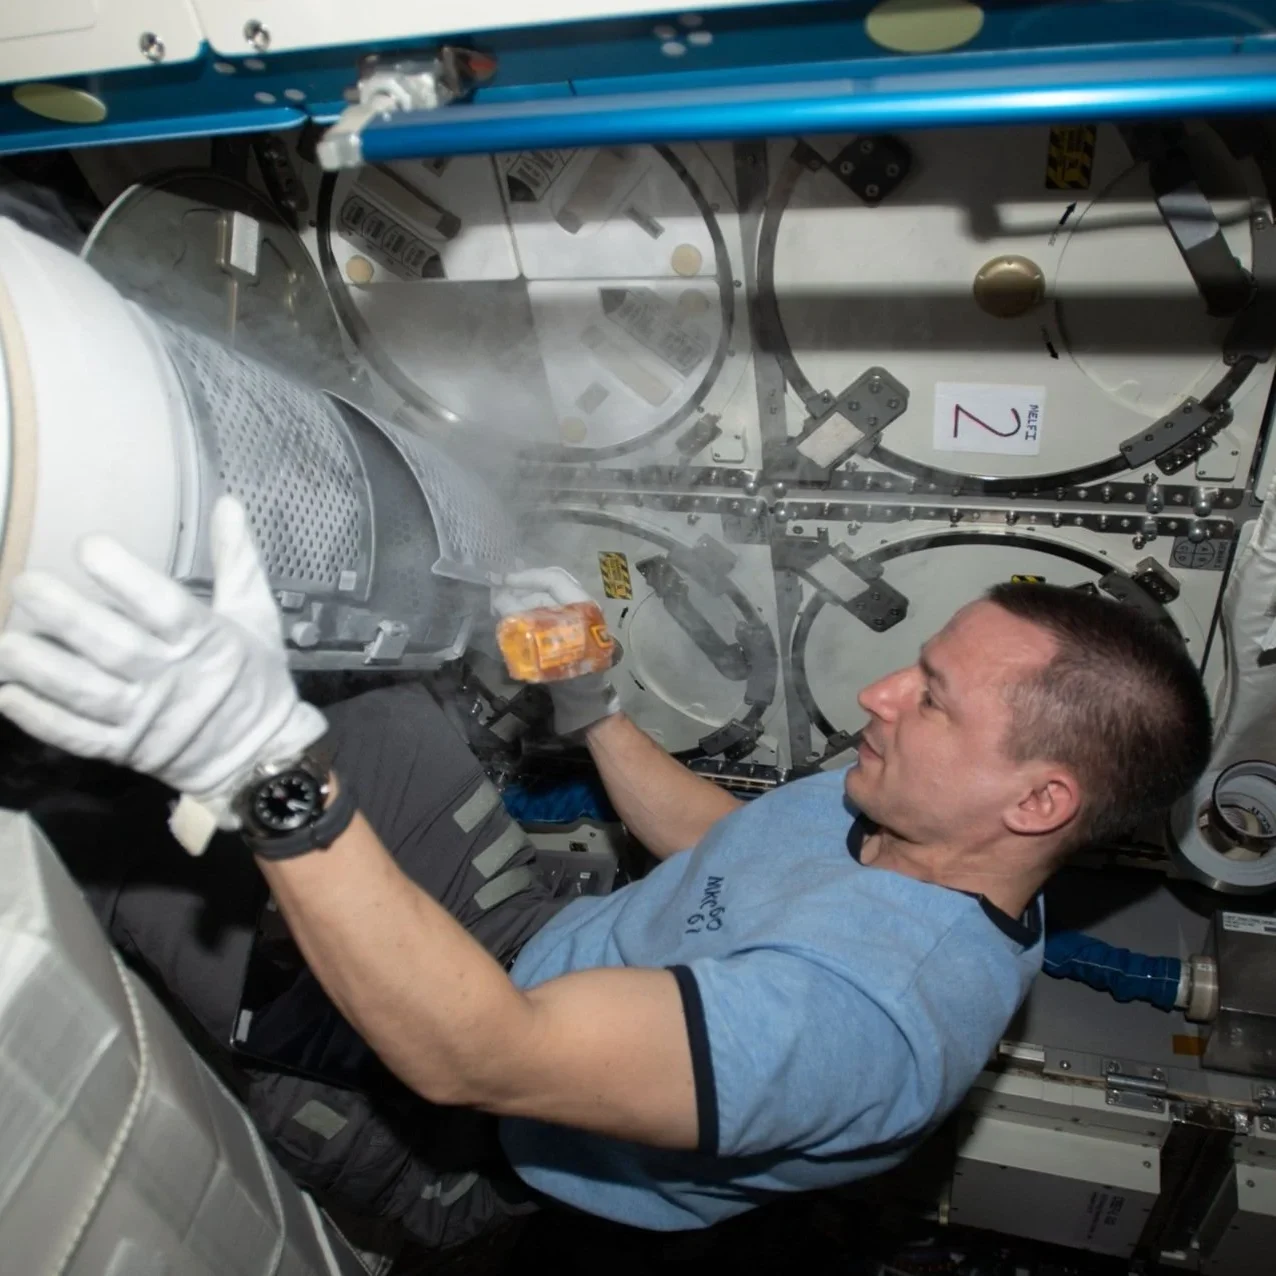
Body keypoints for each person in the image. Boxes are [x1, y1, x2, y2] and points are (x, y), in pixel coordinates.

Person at [0, 497, 1212, 1248]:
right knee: (377, 714)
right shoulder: (906, 810)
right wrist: (590, 702)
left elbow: (482, 1054)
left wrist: (263, 767)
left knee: (119, 867)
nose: (876, 693)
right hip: (539, 933)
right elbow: (723, 845)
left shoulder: (865, 1027)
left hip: (469, 1128)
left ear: (1037, 802)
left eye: (931, 697)